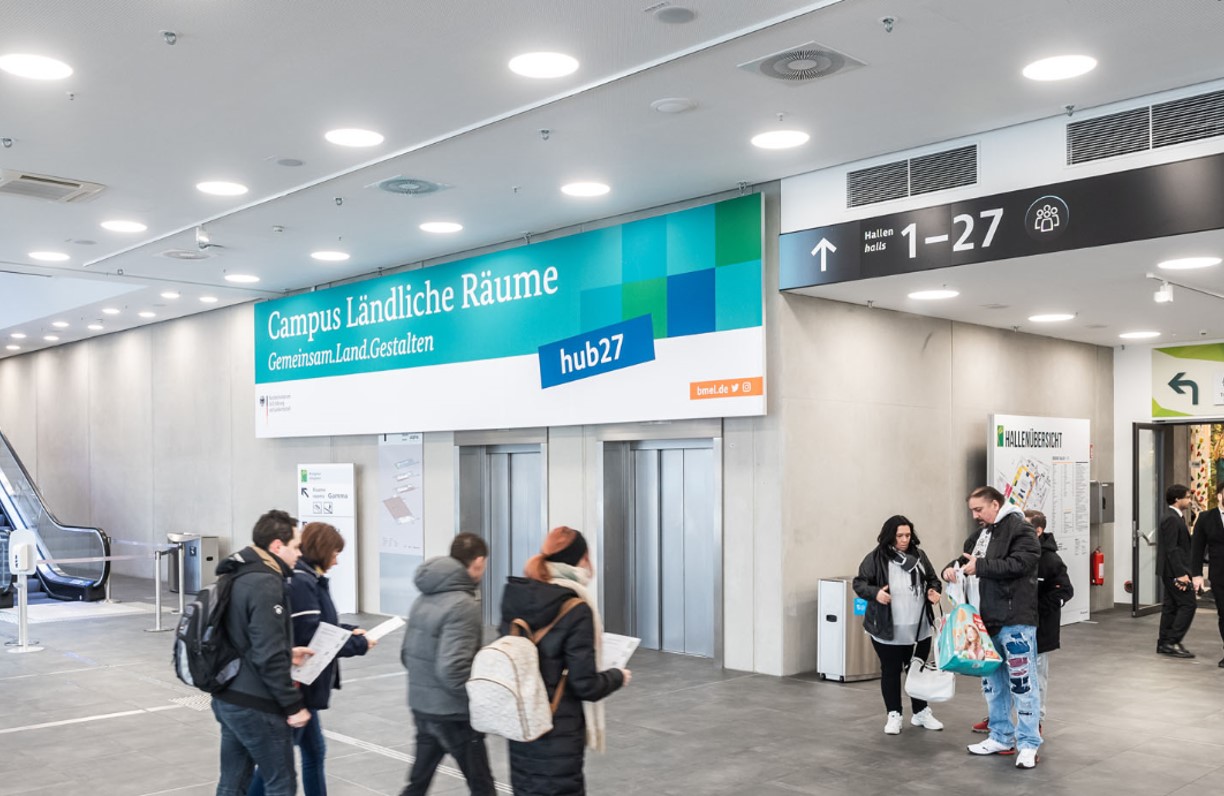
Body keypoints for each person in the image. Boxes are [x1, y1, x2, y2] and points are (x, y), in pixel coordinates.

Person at [499, 526, 629, 796]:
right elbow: (585, 685)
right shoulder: (576, 607)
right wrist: (617, 676)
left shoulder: (516, 597)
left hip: (520, 723)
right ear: (581, 560)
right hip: (557, 729)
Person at [249, 522, 375, 796]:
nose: (337, 560)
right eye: (335, 553)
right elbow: (312, 637)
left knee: (314, 751)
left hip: (308, 682)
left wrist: (349, 631)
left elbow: (322, 625)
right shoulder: (303, 582)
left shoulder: (311, 579)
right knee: (278, 765)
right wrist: (358, 644)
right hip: (300, 684)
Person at [211, 509, 313, 796]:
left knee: (232, 783)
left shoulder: (236, 573)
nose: (299, 555)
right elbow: (267, 656)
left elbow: (243, 636)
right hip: (255, 703)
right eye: (296, 547)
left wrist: (286, 650)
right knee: (281, 783)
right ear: (277, 546)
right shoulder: (266, 582)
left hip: (227, 696)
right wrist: (293, 706)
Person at [942, 486, 1041, 770]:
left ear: (995, 504)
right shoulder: (980, 536)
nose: (975, 516)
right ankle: (1000, 736)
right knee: (993, 686)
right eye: (972, 511)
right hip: (985, 624)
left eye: (979, 509)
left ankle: (1029, 744)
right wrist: (948, 571)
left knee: (1023, 684)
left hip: (1015, 621)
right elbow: (962, 562)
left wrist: (981, 567)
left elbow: (1021, 563)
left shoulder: (1021, 529)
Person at [400, 532, 496, 796]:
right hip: (453, 714)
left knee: (417, 784)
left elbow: (406, 654)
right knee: (482, 786)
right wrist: (479, 698)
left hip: (423, 706)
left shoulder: (424, 596)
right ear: (478, 562)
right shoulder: (463, 605)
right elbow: (453, 669)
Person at [971, 509, 1073, 734]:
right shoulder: (1005, 554)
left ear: (1038, 531)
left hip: (1037, 630)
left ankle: (1034, 722)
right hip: (1006, 625)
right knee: (999, 677)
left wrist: (1034, 610)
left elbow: (1064, 591)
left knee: (1032, 679)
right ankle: (998, 718)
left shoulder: (1051, 560)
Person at [852, 515, 943, 735]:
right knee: (891, 671)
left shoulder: (919, 556)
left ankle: (921, 713)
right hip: (888, 626)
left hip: (919, 626)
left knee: (917, 669)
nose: (904, 539)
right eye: (899, 535)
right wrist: (876, 594)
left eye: (908, 535)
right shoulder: (875, 558)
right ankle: (894, 714)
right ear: (889, 536)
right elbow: (859, 583)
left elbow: (932, 578)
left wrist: (933, 591)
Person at [1157, 484, 1196, 658]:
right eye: (1187, 497)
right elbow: (1171, 549)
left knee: (1171, 606)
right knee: (1188, 604)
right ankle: (1172, 641)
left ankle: (1164, 643)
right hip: (1174, 571)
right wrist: (1181, 574)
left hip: (1172, 570)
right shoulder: (1171, 519)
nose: (1189, 500)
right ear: (1177, 499)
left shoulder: (1176, 518)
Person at [1191, 482, 1224, 668]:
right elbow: (1196, 549)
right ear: (1219, 496)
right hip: (1220, 575)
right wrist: (1196, 574)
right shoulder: (1205, 518)